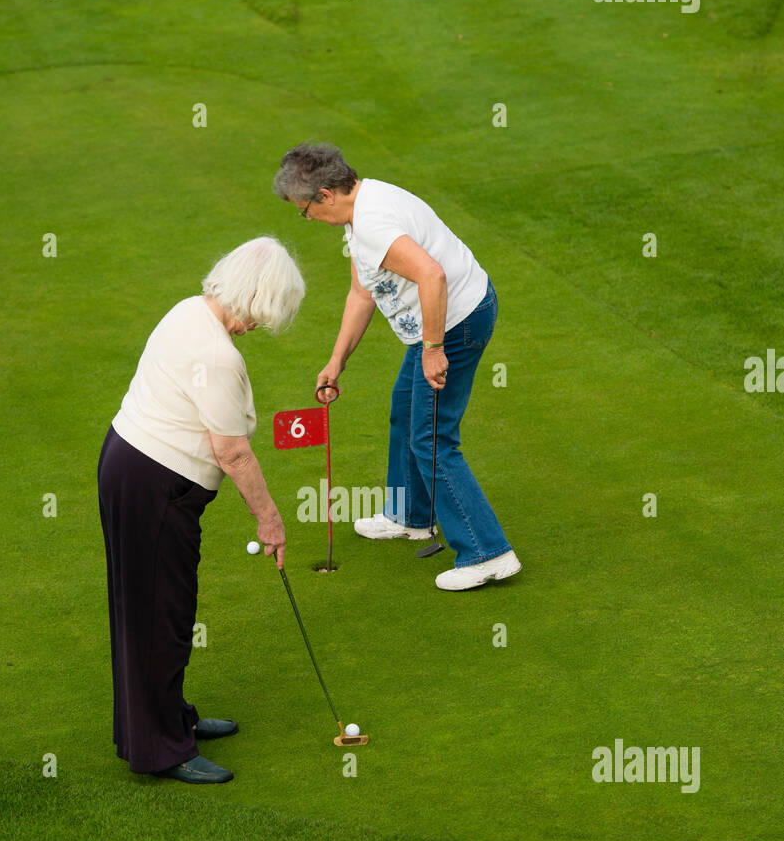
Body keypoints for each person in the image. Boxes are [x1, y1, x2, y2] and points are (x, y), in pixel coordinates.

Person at [97, 237, 304, 783]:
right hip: (153, 485)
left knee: (159, 609)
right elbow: (231, 451)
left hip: (131, 466)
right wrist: (271, 519)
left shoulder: (188, 309)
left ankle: (170, 720)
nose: (260, 325)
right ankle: (164, 749)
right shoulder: (217, 355)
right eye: (265, 311)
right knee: (160, 616)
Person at [273, 143, 521, 591]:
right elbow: (362, 293)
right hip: (444, 319)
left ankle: (487, 552)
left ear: (326, 195)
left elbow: (432, 275)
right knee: (404, 408)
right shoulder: (360, 209)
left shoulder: (372, 223)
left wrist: (432, 348)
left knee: (432, 437)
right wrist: (336, 361)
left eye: (304, 210)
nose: (306, 218)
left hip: (456, 321)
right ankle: (411, 516)